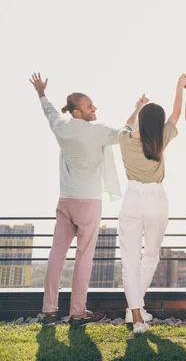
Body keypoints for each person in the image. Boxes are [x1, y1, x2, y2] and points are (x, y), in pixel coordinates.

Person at [31, 72, 125, 327]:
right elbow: (125, 134)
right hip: (89, 203)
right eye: (89, 105)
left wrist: (41, 92)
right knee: (84, 257)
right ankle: (77, 313)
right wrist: (141, 115)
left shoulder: (61, 129)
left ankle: (49, 311)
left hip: (66, 202)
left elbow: (50, 112)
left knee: (56, 255)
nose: (94, 108)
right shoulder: (97, 131)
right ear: (77, 112)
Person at [118, 74, 186, 333]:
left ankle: (136, 314)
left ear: (141, 120)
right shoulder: (161, 138)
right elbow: (177, 113)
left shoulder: (125, 139)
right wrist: (180, 87)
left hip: (132, 198)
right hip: (156, 199)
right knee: (150, 257)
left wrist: (137, 107)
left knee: (130, 261)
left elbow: (125, 125)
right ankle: (136, 309)